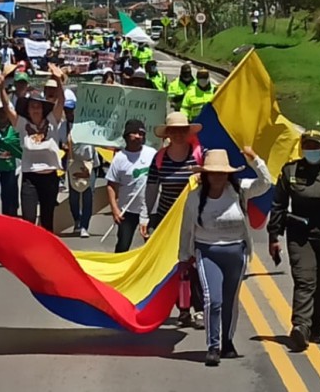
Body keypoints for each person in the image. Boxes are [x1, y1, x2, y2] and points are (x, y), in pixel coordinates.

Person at [178, 147, 272, 367]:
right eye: (212, 172)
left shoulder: (240, 190)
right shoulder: (194, 197)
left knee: (230, 302)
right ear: (205, 174)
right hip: (207, 251)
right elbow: (186, 229)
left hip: (236, 252)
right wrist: (183, 258)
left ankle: (227, 342)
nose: (217, 176)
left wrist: (255, 158)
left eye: (222, 172)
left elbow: (266, 182)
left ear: (228, 173)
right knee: (214, 300)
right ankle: (213, 346)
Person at [267, 129, 320, 351]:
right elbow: (278, 205)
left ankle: (317, 329)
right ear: (302, 147)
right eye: (308, 146)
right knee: (305, 280)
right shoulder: (290, 171)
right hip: (300, 233)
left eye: (316, 146)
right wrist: (274, 235)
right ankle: (301, 327)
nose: (312, 150)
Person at [145, 112, 205, 329]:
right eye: (174, 131)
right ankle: (182, 309)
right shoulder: (160, 158)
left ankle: (198, 309)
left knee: (195, 265)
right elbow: (152, 189)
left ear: (188, 132)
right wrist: (147, 218)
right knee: (174, 267)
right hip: (166, 221)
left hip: (194, 220)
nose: (179, 134)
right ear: (168, 134)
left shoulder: (200, 155)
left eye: (182, 130)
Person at [0, 63, 67, 232]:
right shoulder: (21, 123)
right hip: (29, 179)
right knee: (29, 220)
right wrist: (2, 87)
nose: (35, 109)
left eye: (38, 106)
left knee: (47, 220)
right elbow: (7, 107)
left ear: (43, 108)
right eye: (32, 106)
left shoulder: (53, 121)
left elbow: (61, 100)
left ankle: (46, 254)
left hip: (50, 178)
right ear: (28, 109)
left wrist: (59, 80)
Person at [105, 119, 156, 253]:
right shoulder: (119, 158)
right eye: (134, 133)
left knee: (151, 245)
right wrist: (115, 209)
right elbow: (111, 184)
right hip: (127, 211)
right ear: (127, 136)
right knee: (123, 244)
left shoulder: (152, 154)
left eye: (141, 133)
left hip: (150, 209)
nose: (138, 136)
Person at [67, 139, 98, 238]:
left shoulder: (91, 127)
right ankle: (77, 219)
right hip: (73, 164)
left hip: (90, 164)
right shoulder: (67, 127)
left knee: (88, 197)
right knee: (74, 197)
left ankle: (84, 226)